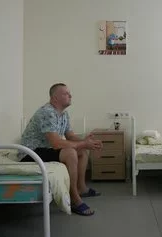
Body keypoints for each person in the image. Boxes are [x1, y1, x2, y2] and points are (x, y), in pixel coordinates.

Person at [18, 83, 103, 216]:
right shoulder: (47, 112)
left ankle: (81, 188)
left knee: (82, 151)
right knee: (70, 152)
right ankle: (74, 198)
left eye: (69, 93)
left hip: (46, 149)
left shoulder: (63, 114)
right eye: (66, 93)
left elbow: (70, 136)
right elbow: (57, 144)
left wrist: (85, 140)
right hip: (30, 153)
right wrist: (82, 143)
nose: (70, 95)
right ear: (54, 98)